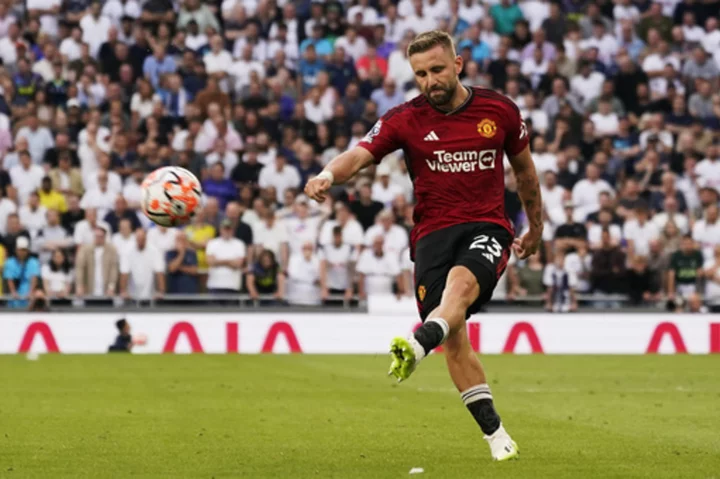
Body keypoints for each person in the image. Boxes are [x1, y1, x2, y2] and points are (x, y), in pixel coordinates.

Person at [304, 30, 542, 461]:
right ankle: (496, 435)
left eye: (436, 69)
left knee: (461, 285)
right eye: (420, 74)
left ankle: (417, 343)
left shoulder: (499, 110)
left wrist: (536, 228)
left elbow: (526, 174)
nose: (430, 80)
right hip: (431, 235)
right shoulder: (405, 118)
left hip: (487, 225)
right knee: (453, 337)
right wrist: (326, 175)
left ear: (458, 64)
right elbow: (359, 154)